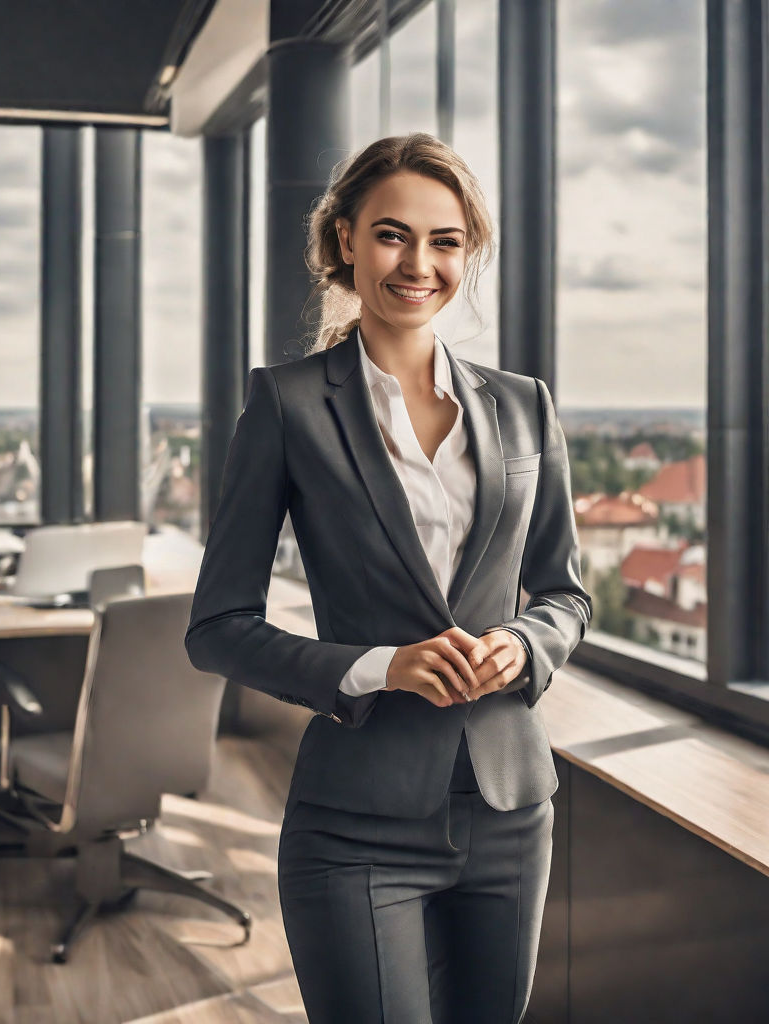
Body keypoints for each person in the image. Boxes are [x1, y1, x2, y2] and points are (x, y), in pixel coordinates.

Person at [184, 132, 592, 1024]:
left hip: (510, 808)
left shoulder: (525, 405)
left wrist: (522, 645)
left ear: (467, 254)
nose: (419, 263)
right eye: (392, 234)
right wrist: (381, 665)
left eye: (446, 241)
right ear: (344, 242)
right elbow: (215, 626)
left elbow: (564, 593)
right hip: (355, 822)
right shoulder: (288, 404)